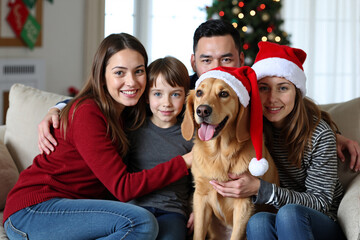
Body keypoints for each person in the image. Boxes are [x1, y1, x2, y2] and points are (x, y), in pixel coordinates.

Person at [38, 19, 359, 171]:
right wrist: (61, 107)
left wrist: (335, 134)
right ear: (194, 63)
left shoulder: (252, 88)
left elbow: (295, 106)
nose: (216, 67)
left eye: (226, 59)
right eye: (207, 60)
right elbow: (130, 93)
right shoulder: (186, 91)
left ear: (241, 60)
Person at [3, 33, 193, 240]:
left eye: (138, 71)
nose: (131, 82)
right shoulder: (87, 112)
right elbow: (123, 188)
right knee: (140, 222)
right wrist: (186, 161)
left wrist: (56, 107)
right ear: (102, 76)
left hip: (76, 211)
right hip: (33, 211)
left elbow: (179, 96)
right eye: (119, 72)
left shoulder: (130, 110)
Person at [210, 41, 346, 239]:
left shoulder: (319, 135)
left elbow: (321, 202)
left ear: (297, 93)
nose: (272, 98)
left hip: (321, 220)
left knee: (289, 213)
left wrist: (261, 189)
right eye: (264, 88)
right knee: (258, 220)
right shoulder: (248, 128)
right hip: (276, 215)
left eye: (283, 88)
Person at [124, 56, 193, 240]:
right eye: (158, 94)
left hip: (171, 211)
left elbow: (202, 180)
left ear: (186, 96)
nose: (166, 103)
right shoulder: (133, 129)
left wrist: (196, 210)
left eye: (175, 94)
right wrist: (57, 108)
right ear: (146, 96)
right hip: (135, 209)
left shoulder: (190, 135)